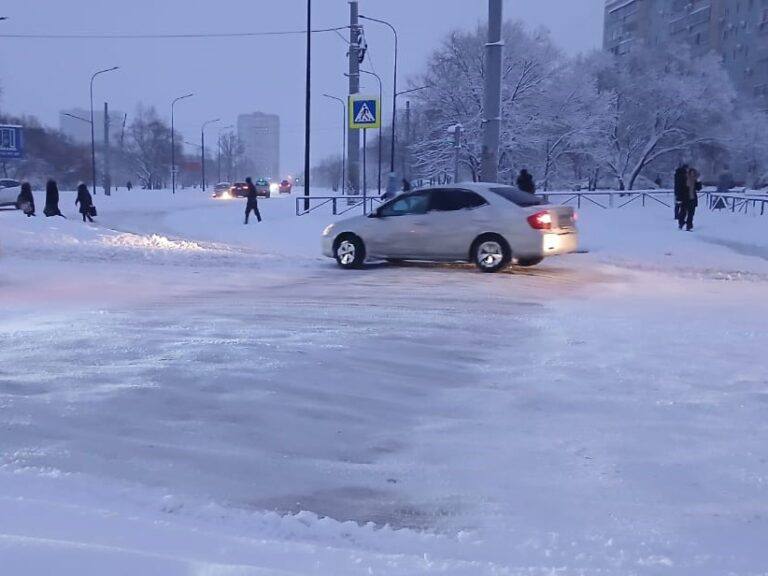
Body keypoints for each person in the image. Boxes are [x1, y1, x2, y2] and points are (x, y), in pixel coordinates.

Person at [678, 167, 701, 231]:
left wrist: (699, 181)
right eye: (692, 173)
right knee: (683, 212)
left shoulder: (695, 180)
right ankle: (681, 223)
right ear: (689, 173)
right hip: (685, 199)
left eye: (694, 173)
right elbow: (680, 189)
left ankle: (689, 226)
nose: (693, 175)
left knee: (691, 214)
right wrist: (679, 198)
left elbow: (698, 188)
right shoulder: (684, 179)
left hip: (692, 199)